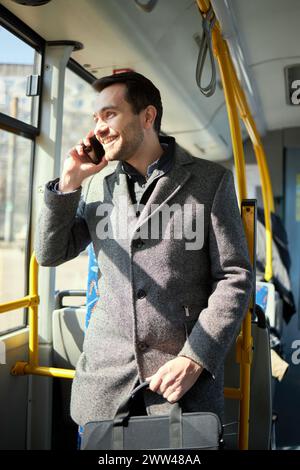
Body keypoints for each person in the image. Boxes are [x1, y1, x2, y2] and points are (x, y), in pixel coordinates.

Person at [35, 71, 253, 428]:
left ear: (147, 117)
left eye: (110, 114)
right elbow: (50, 253)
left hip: (180, 382)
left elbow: (235, 276)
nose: (99, 128)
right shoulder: (94, 186)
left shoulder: (209, 182)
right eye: (95, 119)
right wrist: (69, 182)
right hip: (105, 383)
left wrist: (196, 358)